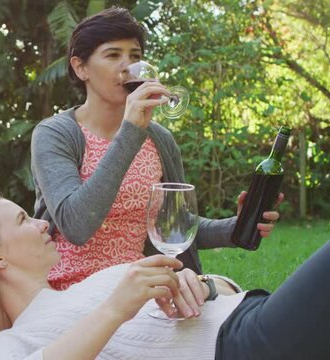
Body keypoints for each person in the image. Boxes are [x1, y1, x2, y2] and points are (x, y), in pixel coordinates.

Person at [0, 181, 330, 360]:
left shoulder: (87, 285)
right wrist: (114, 309)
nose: (43, 222)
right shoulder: (11, 343)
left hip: (256, 313)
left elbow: (220, 292)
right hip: (247, 346)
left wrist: (205, 284)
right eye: (24, 219)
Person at [30, 6, 282, 290]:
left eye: (135, 56)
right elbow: (76, 226)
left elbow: (174, 225)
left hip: (142, 286)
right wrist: (130, 132)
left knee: (237, 300)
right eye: (113, 55)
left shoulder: (158, 139)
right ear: (81, 67)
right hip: (71, 287)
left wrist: (237, 227)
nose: (127, 66)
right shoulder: (54, 134)